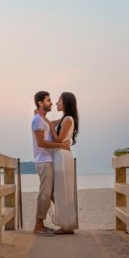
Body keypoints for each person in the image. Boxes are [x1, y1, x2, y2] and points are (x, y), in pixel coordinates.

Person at [30, 90, 71, 236]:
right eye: (48, 100)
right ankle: (38, 226)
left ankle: (63, 221)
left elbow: (51, 125)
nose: (51, 102)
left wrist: (65, 118)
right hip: (44, 161)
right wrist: (61, 146)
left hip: (49, 160)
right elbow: (41, 143)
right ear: (40, 103)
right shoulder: (37, 120)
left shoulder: (42, 119)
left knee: (51, 193)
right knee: (45, 193)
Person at [50, 92, 79, 233]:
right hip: (60, 155)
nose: (56, 103)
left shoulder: (68, 119)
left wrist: (50, 128)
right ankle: (66, 223)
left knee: (62, 190)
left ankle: (66, 225)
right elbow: (49, 123)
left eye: (59, 101)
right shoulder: (64, 119)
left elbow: (58, 140)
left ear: (65, 103)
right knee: (59, 190)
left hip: (62, 157)